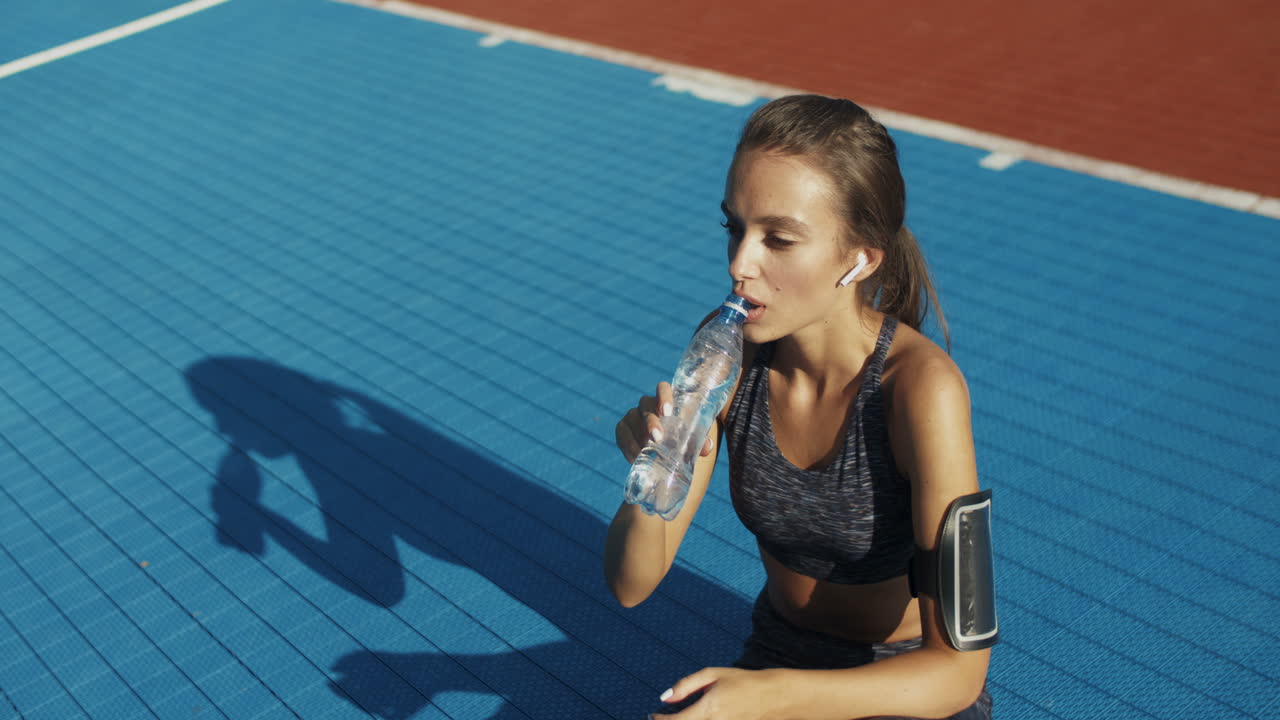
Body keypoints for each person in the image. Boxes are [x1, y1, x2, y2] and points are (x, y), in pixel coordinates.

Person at [604, 95, 995, 719]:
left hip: (901, 682)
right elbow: (630, 584)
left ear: (860, 258)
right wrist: (654, 472)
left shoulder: (921, 390)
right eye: (734, 227)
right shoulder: (729, 353)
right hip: (778, 656)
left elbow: (960, 672)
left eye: (778, 239)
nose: (739, 264)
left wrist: (773, 693)